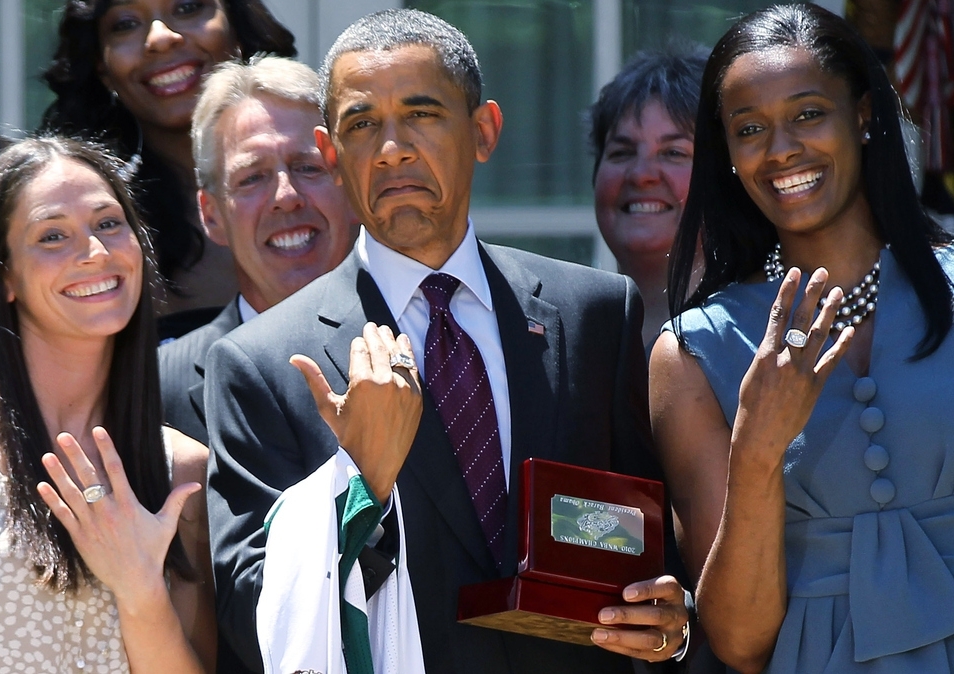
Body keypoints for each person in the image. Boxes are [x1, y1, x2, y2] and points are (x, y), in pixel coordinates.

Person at [205, 9, 689, 674]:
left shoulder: (596, 314)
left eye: (423, 113)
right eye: (361, 123)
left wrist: (668, 620)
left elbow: (647, 554)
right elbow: (248, 614)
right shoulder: (263, 364)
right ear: (331, 154)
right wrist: (360, 486)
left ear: (484, 130)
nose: (392, 147)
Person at [652, 4, 954, 673]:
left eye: (809, 113)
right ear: (726, 154)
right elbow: (741, 643)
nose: (781, 147)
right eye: (750, 128)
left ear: (865, 116)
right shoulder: (693, 353)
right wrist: (757, 452)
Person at [0, 137, 217, 672]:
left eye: (108, 223)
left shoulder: (182, 471)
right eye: (53, 235)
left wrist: (138, 588)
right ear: (5, 275)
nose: (96, 252)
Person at [42, 0, 295, 335]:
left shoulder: (338, 184)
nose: (160, 37)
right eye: (125, 24)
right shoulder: (100, 228)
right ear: (101, 67)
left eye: (187, 7)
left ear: (237, 25)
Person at [159, 55, 358, 448]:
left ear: (351, 185)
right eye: (252, 178)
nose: (286, 197)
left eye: (308, 167)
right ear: (211, 214)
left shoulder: (419, 341)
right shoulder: (159, 386)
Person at [590, 45, 708, 345]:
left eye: (673, 152)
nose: (641, 174)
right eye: (621, 152)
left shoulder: (760, 336)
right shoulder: (559, 339)